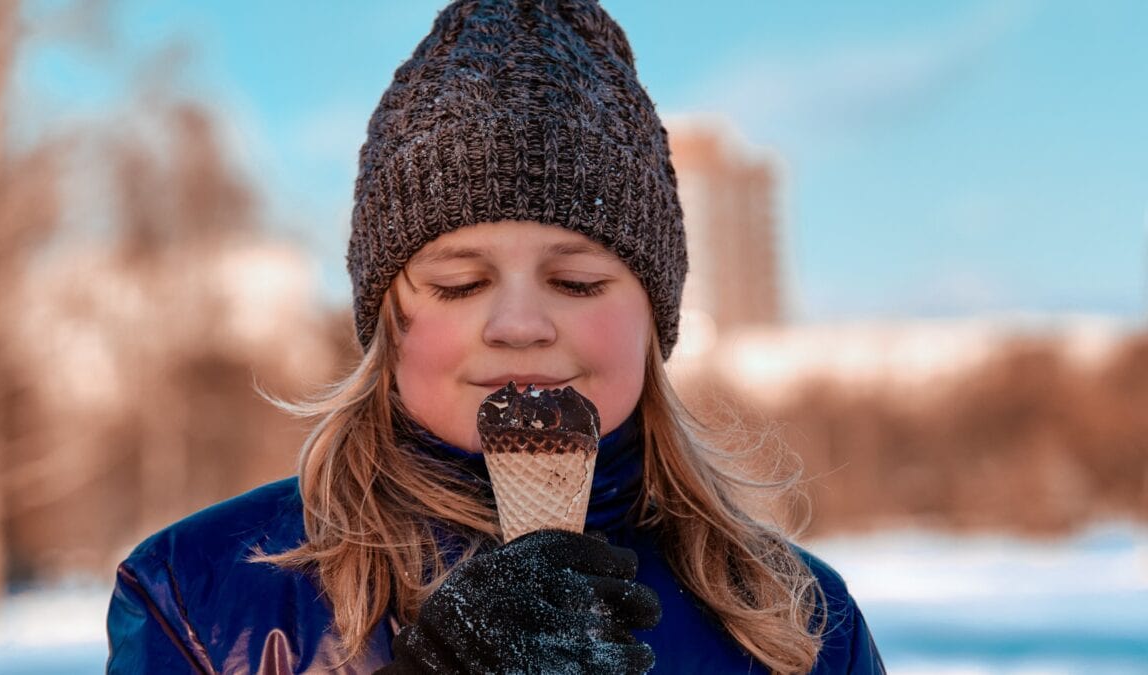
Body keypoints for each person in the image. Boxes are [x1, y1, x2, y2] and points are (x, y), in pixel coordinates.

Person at [106, 1, 886, 673]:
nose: (518, 325)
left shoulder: (801, 621)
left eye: (575, 282)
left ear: (655, 318)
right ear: (386, 323)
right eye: (459, 284)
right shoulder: (197, 596)